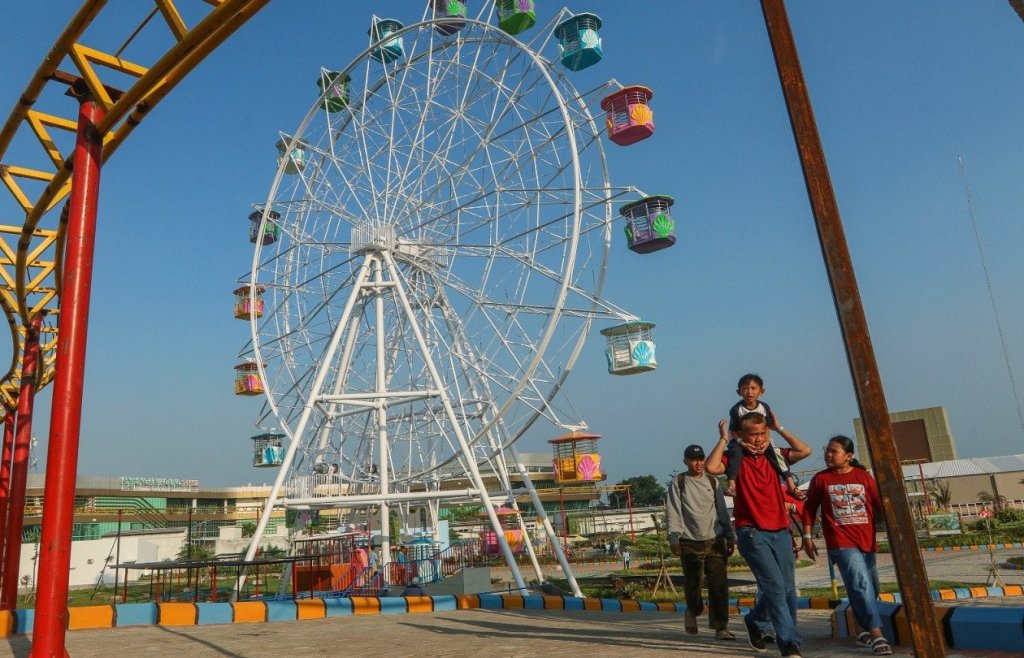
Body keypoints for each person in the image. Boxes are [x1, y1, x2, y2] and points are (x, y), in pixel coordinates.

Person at [705, 412, 811, 658]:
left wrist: (778, 427)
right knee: (774, 588)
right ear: (741, 435)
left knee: (787, 589)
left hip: (781, 531)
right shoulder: (735, 459)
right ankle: (789, 643)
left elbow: (804, 450)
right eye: (753, 434)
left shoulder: (775, 457)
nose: (759, 439)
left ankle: (754, 620)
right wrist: (724, 439)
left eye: (762, 433)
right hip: (753, 533)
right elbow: (711, 467)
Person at [801, 436, 892, 656]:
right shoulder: (820, 479)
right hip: (841, 543)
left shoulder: (863, 477)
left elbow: (881, 505)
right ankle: (877, 634)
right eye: (827, 450)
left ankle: (861, 629)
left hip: (866, 541)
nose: (828, 455)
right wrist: (807, 537)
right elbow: (809, 509)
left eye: (834, 451)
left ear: (849, 456)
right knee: (860, 583)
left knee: (870, 587)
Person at [666, 443, 737, 641]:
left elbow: (722, 511)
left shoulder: (713, 482)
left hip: (715, 540)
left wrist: (730, 536)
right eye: (694, 459)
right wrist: (674, 537)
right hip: (689, 542)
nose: (698, 463)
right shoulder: (679, 482)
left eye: (701, 459)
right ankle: (693, 610)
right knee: (693, 584)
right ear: (686, 461)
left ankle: (720, 626)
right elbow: (673, 510)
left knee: (719, 586)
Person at [724, 374, 803, 501]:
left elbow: (767, 427)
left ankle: (791, 484)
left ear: (762, 391)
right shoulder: (736, 409)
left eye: (753, 388)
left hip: (762, 439)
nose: (749, 392)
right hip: (740, 439)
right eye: (745, 388)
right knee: (735, 454)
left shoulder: (764, 407)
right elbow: (733, 430)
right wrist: (741, 443)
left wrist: (766, 442)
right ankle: (732, 483)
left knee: (776, 453)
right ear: (739, 392)